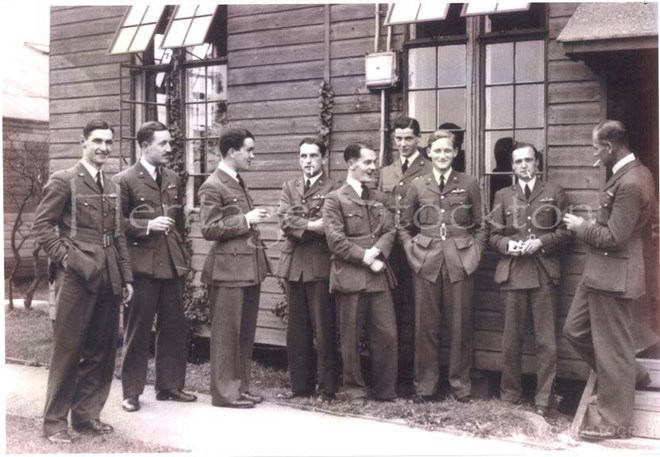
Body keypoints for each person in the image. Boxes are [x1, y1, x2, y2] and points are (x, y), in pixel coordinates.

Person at [32, 119, 134, 443]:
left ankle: (87, 416)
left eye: (108, 142)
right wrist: (66, 259)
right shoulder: (64, 180)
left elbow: (117, 237)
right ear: (83, 143)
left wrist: (126, 277)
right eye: (97, 141)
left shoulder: (114, 186)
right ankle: (54, 424)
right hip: (76, 278)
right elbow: (43, 227)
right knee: (68, 349)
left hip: (109, 277)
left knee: (101, 350)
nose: (103, 147)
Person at [563, 120, 657, 440]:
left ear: (608, 147)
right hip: (599, 274)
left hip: (614, 276)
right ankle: (634, 374)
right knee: (574, 331)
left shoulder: (631, 181)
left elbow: (615, 236)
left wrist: (581, 227)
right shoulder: (628, 174)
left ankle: (614, 421)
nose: (594, 154)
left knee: (613, 349)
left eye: (595, 148)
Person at [399, 129, 488, 403]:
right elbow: (404, 226)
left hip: (460, 261)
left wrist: (473, 255)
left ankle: (460, 387)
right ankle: (426, 386)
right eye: (437, 151)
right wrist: (413, 252)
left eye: (447, 150)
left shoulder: (469, 183)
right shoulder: (419, 185)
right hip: (426, 262)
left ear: (455, 153)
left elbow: (481, 226)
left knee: (460, 325)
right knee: (426, 326)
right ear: (429, 153)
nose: (442, 155)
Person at [113, 121, 196, 413]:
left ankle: (169, 386)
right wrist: (147, 225)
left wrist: (183, 257)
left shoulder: (173, 177)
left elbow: (180, 222)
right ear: (145, 146)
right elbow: (116, 224)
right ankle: (131, 392)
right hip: (141, 268)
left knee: (173, 327)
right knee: (137, 330)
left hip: (171, 265)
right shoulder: (124, 180)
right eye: (163, 144)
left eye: (169, 143)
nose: (169, 149)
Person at [488, 142, 572, 417]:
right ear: (511, 166)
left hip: (543, 273)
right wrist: (506, 246)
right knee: (511, 339)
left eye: (528, 160)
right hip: (512, 273)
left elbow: (567, 232)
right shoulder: (502, 195)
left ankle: (543, 399)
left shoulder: (554, 192)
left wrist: (542, 243)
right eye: (518, 161)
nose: (524, 165)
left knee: (546, 341)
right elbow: (492, 235)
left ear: (537, 163)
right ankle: (510, 395)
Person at [199, 128, 271, 408]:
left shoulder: (237, 181)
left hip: (247, 269)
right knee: (226, 335)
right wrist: (247, 220)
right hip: (227, 271)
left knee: (243, 333)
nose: (252, 155)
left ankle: (240, 387)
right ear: (231, 152)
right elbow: (209, 228)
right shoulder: (212, 185)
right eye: (249, 150)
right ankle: (224, 393)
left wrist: (248, 219)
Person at [323, 142, 398, 402]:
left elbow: (390, 229)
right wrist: (366, 258)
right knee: (350, 338)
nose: (373, 167)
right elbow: (336, 240)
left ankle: (384, 391)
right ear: (351, 164)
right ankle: (354, 390)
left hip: (378, 278)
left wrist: (376, 251)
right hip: (350, 278)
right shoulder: (335, 199)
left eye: (374, 162)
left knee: (387, 335)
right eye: (367, 162)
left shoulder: (377, 198)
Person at [276, 137, 340, 400]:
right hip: (293, 265)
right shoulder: (290, 186)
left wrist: (297, 225)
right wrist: (311, 225)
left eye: (313, 156)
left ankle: (327, 388)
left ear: (322, 158)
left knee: (324, 328)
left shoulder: (335, 187)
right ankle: (300, 386)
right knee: (297, 329)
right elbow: (283, 219)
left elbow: (331, 223)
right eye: (303, 156)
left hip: (320, 265)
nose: (308, 161)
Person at [378, 116, 431, 396]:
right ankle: (394, 377)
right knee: (393, 312)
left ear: (419, 139)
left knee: (421, 312)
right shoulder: (386, 172)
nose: (403, 144)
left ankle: (419, 379)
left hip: (419, 246)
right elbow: (379, 208)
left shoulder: (430, 168)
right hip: (392, 250)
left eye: (408, 138)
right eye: (398, 138)